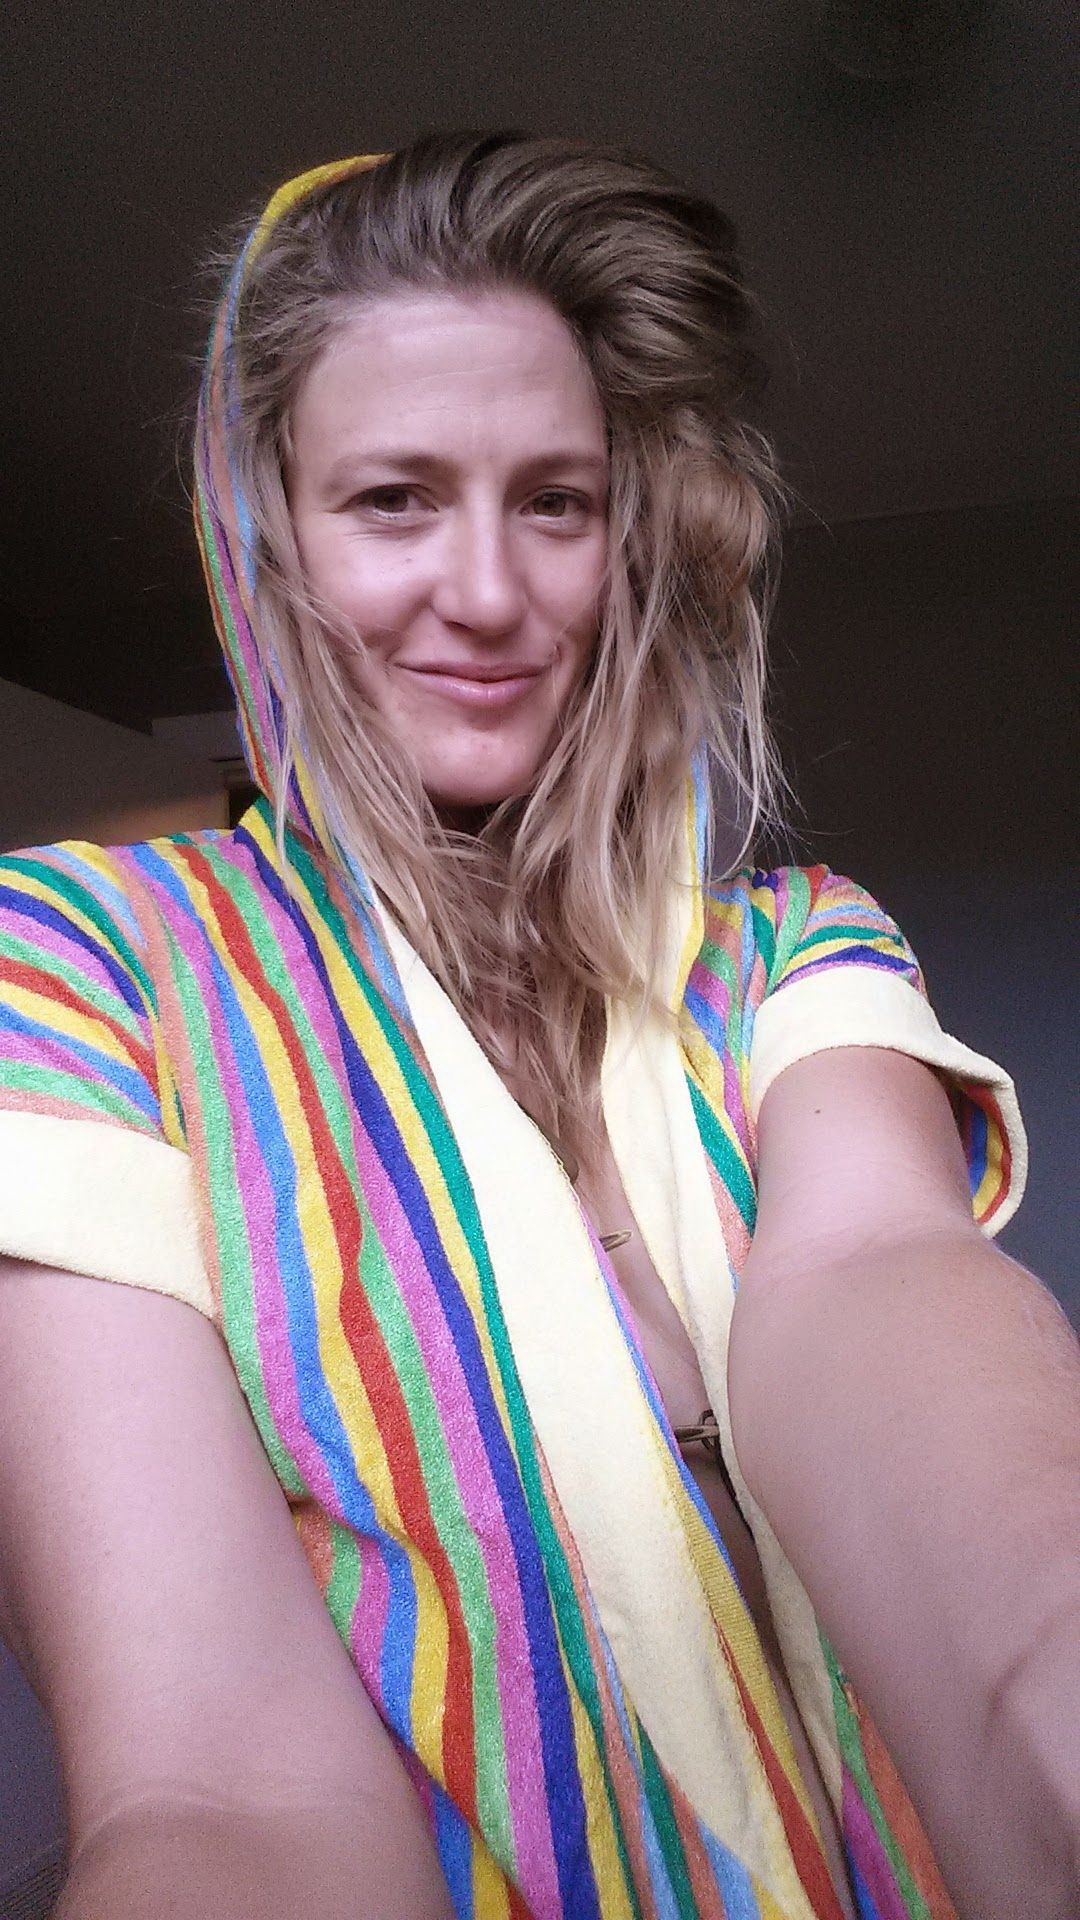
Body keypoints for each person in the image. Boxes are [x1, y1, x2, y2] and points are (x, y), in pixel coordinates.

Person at [0, 131, 1075, 1920]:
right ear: (266, 538)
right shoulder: (83, 967)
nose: (490, 593)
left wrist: (1047, 1679)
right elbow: (222, 1784)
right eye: (393, 500)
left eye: (556, 502)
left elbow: (875, 1273)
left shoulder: (790, 950)